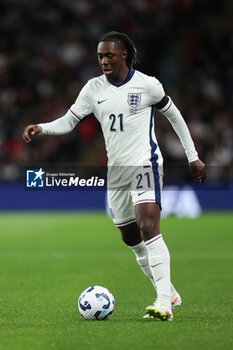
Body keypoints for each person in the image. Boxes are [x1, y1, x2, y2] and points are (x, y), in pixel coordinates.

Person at [23, 31, 206, 321]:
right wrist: (42, 127)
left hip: (145, 164)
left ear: (124, 55)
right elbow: (69, 121)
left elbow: (175, 116)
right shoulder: (93, 88)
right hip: (117, 172)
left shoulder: (148, 85)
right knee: (130, 237)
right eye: (99, 56)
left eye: (109, 55)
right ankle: (169, 290)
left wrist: (192, 156)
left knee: (148, 225)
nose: (103, 61)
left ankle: (163, 304)